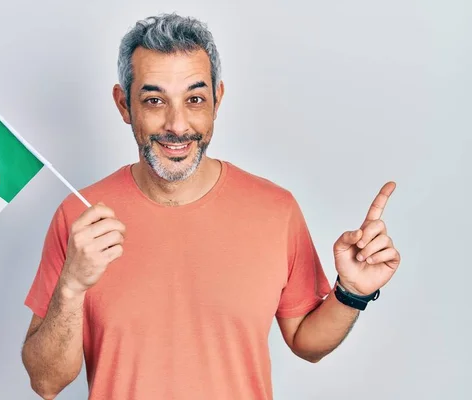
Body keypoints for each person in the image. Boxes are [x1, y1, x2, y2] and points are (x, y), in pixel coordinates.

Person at [21, 13, 401, 400]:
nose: (177, 125)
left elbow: (306, 342)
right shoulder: (81, 217)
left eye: (195, 99)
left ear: (217, 101)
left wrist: (351, 291)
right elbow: (46, 382)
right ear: (123, 105)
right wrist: (71, 286)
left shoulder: (275, 210)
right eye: (154, 100)